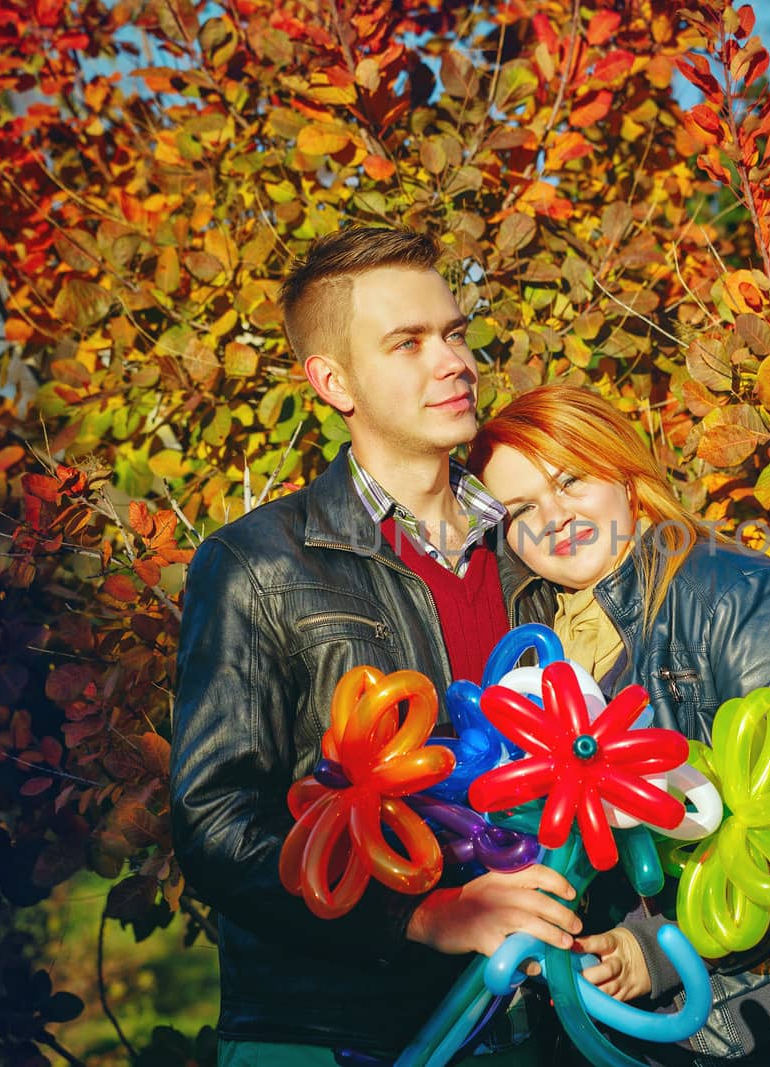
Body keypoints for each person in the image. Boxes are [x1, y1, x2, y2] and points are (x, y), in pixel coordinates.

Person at [169, 228, 579, 1067]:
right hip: (334, 1031)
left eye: (457, 332)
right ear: (333, 381)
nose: (455, 361)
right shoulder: (256, 564)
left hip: (537, 1022)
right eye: (409, 342)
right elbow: (215, 821)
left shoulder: (539, 549)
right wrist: (419, 916)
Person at [468, 385, 770, 1066]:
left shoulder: (749, 599)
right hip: (612, 1026)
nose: (553, 517)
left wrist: (663, 948)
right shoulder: (534, 645)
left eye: (570, 479)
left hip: (769, 1019)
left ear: (625, 471)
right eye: (520, 509)